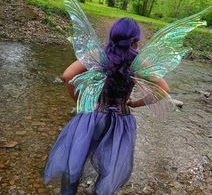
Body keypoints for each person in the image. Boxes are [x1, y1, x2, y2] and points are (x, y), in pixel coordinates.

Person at [44, 17, 170, 195]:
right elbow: (164, 90)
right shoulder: (139, 62)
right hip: (121, 121)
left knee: (76, 158)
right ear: (135, 40)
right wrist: (135, 103)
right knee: (110, 166)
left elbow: (67, 76)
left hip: (93, 115)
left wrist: (81, 101)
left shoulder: (99, 54)